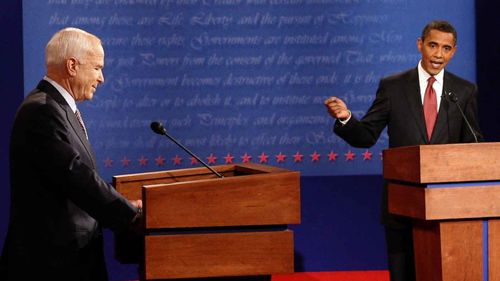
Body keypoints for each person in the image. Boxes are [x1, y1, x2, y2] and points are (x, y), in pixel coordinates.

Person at [324, 20, 482, 281]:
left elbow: (473, 144)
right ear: (420, 45)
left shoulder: (464, 91)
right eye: (433, 46)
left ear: (453, 51)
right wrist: (346, 118)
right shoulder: (393, 86)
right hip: (402, 205)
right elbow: (366, 136)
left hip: (449, 207)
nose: (438, 55)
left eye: (446, 48)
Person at [0, 27, 142, 281]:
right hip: (50, 266)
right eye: (97, 68)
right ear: (73, 66)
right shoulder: (42, 111)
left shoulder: (57, 107)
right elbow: (76, 175)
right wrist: (130, 214)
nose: (101, 78)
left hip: (71, 261)